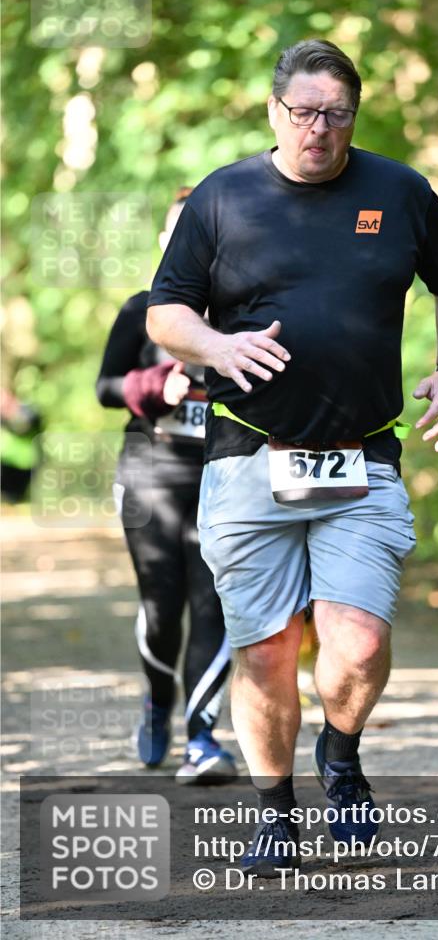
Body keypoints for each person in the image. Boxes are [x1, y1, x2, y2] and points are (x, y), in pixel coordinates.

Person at [146, 39, 438, 872]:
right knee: (264, 651)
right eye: (303, 113)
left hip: (362, 456)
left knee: (357, 642)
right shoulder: (222, 198)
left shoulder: (398, 191)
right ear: (274, 111)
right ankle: (274, 810)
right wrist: (217, 348)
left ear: (353, 118)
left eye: (335, 114)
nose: (319, 130)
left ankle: (341, 752)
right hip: (247, 454)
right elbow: (165, 311)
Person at [96, 188, 237, 784]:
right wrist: (155, 385)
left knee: (214, 606)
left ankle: (202, 738)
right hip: (150, 476)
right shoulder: (141, 310)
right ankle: (158, 700)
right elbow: (105, 387)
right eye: (178, 234)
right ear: (163, 243)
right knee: (162, 610)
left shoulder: (242, 314)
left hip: (226, 477)